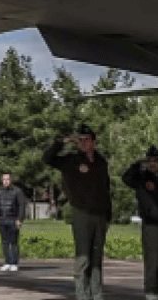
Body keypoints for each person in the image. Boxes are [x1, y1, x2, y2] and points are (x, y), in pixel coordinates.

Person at [45, 124, 112, 300]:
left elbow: (106, 188)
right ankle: (82, 295)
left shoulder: (101, 161)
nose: (83, 143)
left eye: (86, 140)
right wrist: (61, 142)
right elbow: (48, 158)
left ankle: (96, 294)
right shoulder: (71, 161)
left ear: (94, 141)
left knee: (97, 260)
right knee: (83, 259)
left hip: (100, 215)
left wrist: (108, 216)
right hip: (82, 213)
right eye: (80, 140)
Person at [0, 172, 28, 273]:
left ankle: (14, 263)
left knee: (13, 242)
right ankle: (7, 262)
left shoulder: (17, 191)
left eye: (7, 179)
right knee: (5, 242)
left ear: (11, 180)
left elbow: (21, 206)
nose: (6, 181)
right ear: (1, 180)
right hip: (2, 220)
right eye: (4, 179)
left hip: (13, 219)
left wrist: (19, 219)